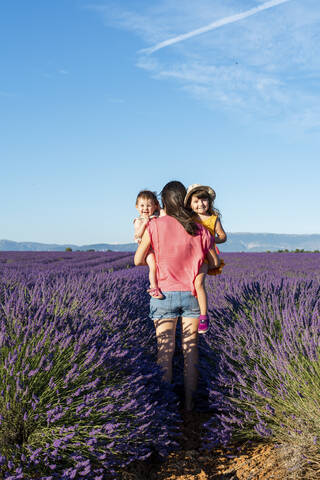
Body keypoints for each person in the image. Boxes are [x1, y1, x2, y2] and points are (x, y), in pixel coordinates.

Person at [134, 181, 220, 411]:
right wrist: (199, 267)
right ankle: (190, 407)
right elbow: (214, 262)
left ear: (163, 202)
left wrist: (156, 259)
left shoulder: (155, 226)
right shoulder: (199, 227)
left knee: (165, 353)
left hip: (163, 296)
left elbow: (137, 259)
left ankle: (166, 407)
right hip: (192, 295)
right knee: (190, 353)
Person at [184, 184, 227, 334]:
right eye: (196, 201)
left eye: (203, 200)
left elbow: (223, 236)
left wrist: (212, 240)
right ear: (190, 204)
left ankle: (203, 316)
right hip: (190, 255)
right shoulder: (189, 218)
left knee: (199, 283)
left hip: (205, 256)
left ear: (209, 201)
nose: (200, 204)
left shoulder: (213, 219)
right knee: (190, 284)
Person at [134, 190, 164, 299]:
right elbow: (137, 235)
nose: (145, 208)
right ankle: (154, 288)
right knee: (153, 267)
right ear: (136, 207)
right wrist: (144, 224)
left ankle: (161, 284)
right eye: (142, 205)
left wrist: (159, 207)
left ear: (155, 206)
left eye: (149, 205)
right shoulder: (138, 220)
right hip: (147, 249)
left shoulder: (155, 217)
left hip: (156, 247)